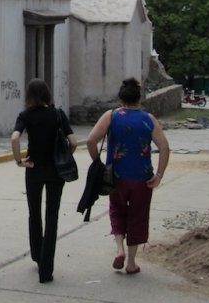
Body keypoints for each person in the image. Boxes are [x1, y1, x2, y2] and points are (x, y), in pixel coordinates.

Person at [86, 77, 170, 275]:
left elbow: (91, 141)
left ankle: (119, 249)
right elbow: (164, 147)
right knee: (138, 216)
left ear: (120, 97)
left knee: (116, 210)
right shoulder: (149, 119)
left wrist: (97, 162)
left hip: (116, 175)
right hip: (143, 178)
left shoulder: (111, 116)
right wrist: (158, 174)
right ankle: (131, 262)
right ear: (139, 98)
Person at [11, 78, 78, 283]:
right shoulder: (58, 114)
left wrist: (19, 161)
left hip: (34, 168)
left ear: (30, 96)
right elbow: (73, 142)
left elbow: (15, 138)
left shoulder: (25, 116)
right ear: (47, 94)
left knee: (34, 213)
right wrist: (65, 155)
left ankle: (37, 255)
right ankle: (46, 270)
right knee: (52, 217)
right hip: (56, 171)